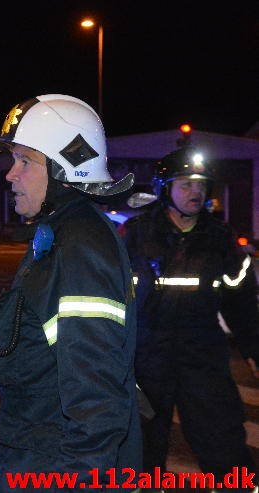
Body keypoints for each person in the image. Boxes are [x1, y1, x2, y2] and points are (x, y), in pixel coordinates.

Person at [0, 94, 141, 491]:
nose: (10, 175)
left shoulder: (80, 244)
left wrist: (80, 480)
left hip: (56, 464)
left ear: (65, 166)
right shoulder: (59, 233)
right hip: (38, 450)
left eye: (25, 161)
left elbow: (96, 393)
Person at [120, 146, 259, 492]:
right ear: (164, 189)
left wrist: (253, 348)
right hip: (146, 360)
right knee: (141, 450)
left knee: (222, 441)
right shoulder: (135, 235)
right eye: (185, 184)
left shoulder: (220, 238)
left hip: (202, 358)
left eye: (200, 185)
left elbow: (241, 301)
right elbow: (111, 298)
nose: (195, 192)